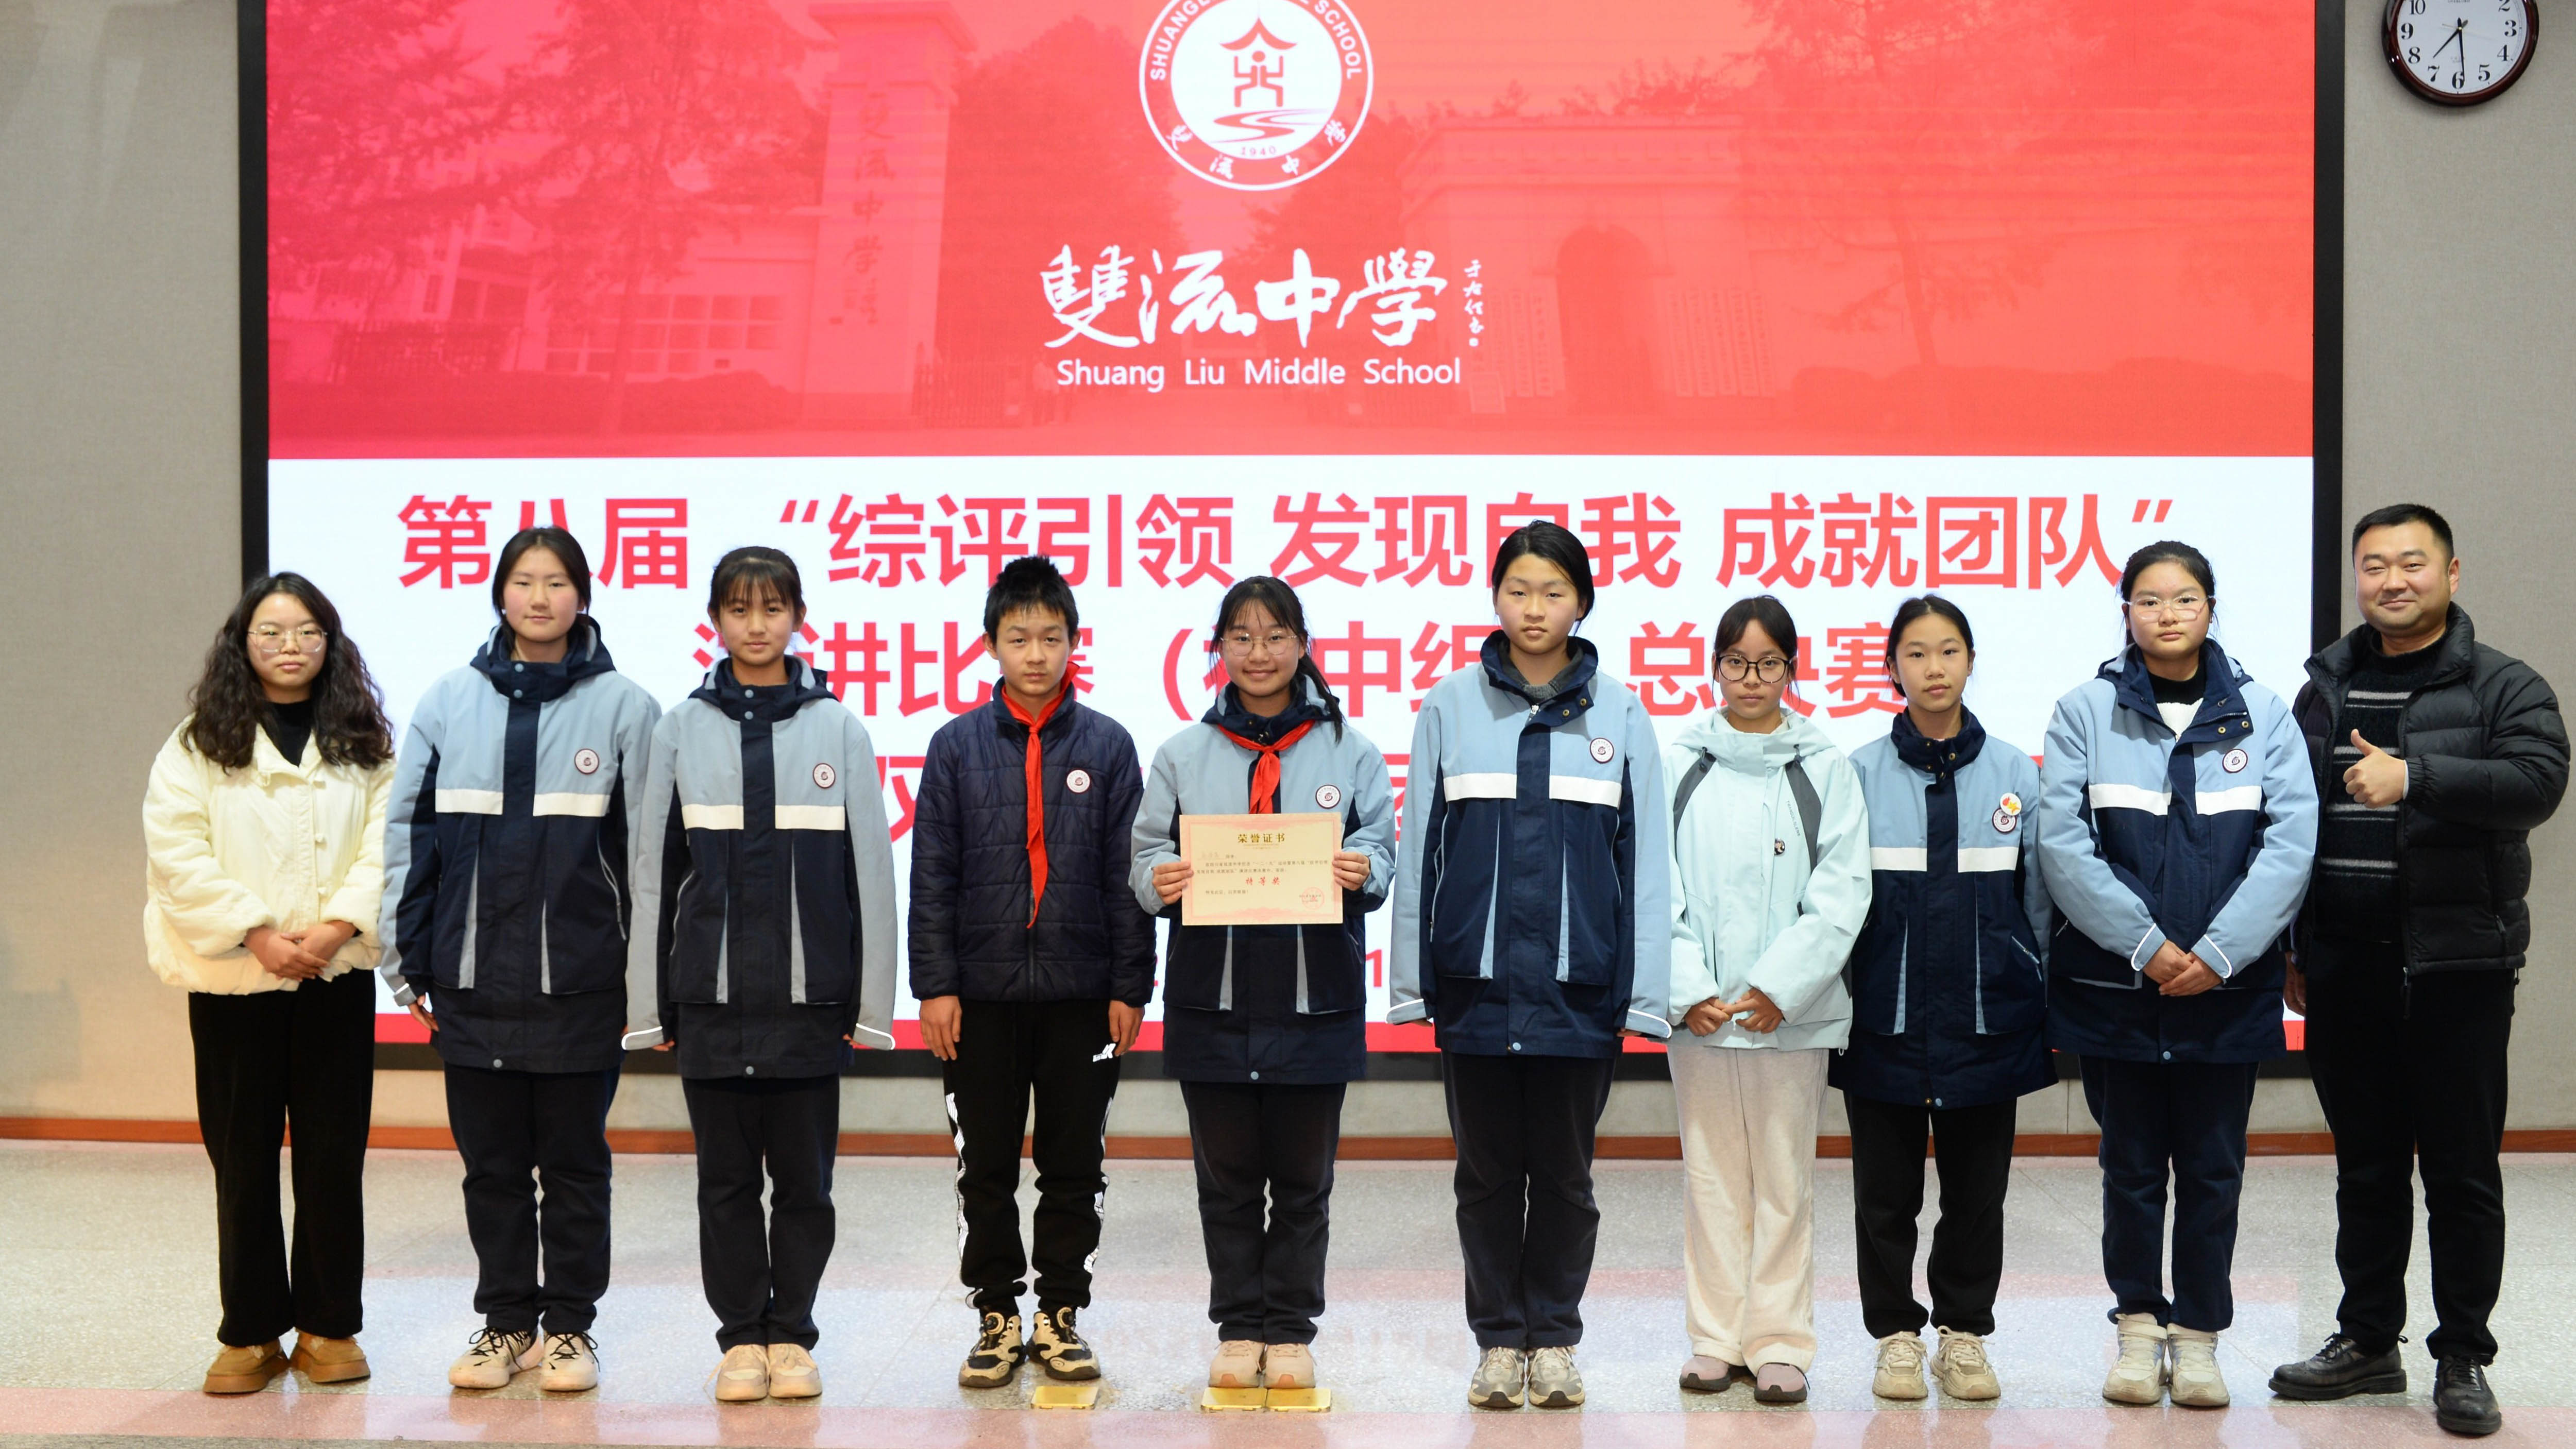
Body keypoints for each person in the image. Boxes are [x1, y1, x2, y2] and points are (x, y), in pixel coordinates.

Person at [2269, 503, 2566, 1439]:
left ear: (2451, 572)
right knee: (2364, 1168)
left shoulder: (2504, 684)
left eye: (2411, 563)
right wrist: (2298, 944)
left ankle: (2464, 1354)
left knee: (2461, 1172)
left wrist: (2415, 777)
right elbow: (2295, 823)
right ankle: (2368, 1339)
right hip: (2343, 964)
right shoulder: (2325, 686)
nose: (2392, 580)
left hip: (2457, 968)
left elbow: (2538, 782)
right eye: (2374, 565)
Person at [1389, 521, 1672, 1411]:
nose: (1535, 608)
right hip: (1475, 990)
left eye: (1553, 592)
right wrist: (1413, 984)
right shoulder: (1448, 706)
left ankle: (1552, 1339)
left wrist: (1644, 996)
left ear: (1582, 602)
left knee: (1565, 1179)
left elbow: (1647, 868)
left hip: (1577, 993)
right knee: (1483, 1178)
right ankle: (1496, 1343)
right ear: (1496, 599)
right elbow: (1421, 848)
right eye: (1518, 591)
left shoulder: (1623, 714)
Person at [379, 527, 660, 1393]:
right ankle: (506, 1323)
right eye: (525, 581)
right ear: (500, 594)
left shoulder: (627, 708)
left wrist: (647, 980)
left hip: (582, 984)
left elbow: (652, 859)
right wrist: (405, 959)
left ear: (584, 595)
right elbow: (409, 840)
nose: (540, 598)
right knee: (492, 1170)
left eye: (558, 582)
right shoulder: (447, 701)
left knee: (575, 1167)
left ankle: (569, 1328)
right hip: (471, 982)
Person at [2037, 540, 2317, 1410]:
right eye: (2150, 600)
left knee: (2211, 1171)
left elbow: (2290, 843)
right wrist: (2145, 946)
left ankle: (2197, 1339)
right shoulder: (2085, 711)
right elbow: (2063, 844)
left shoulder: (2263, 715)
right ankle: (2136, 1326)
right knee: (2128, 1170)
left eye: (2185, 598)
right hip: (2117, 992)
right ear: (2125, 611)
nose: (2167, 614)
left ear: (2210, 608)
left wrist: (2220, 952)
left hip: (2226, 994)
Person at [621, 547, 897, 1403]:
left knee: (806, 1188)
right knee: (726, 1185)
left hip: (810, 1006)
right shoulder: (680, 727)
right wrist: (648, 1006)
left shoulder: (839, 727)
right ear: (715, 620)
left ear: (798, 618)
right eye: (739, 609)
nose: (756, 625)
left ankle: (794, 1336)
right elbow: (651, 872)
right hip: (710, 1004)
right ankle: (742, 1337)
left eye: (772, 608)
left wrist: (872, 1007)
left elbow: (871, 876)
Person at [1132, 577, 1396, 1396]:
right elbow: (1144, 856)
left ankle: (1289, 1331)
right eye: (1241, 637)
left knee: (1305, 1184)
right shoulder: (1183, 754)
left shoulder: (1350, 750)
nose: (1259, 653)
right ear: (1219, 649)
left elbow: (1382, 850)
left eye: (1275, 636)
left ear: (1302, 645)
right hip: (1212, 1000)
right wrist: (1159, 878)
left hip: (1315, 1001)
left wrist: (1363, 868)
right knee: (1227, 1183)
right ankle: (1239, 1326)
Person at [142, 573, 394, 1394]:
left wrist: (334, 928)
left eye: (308, 632)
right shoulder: (196, 744)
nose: (291, 647)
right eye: (272, 632)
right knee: (242, 1161)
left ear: (331, 643)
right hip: (233, 980)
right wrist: (255, 932)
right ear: (242, 643)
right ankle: (250, 1334)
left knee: (332, 1160)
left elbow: (388, 845)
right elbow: (176, 852)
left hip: (332, 975)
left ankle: (328, 1327)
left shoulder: (365, 741)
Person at [909, 555, 1155, 1389]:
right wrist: (935, 986)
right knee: (983, 1166)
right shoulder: (955, 748)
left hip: (1083, 997)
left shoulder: (1109, 747)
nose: (1037, 654)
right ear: (992, 645)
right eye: (1019, 638)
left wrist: (1130, 986)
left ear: (1074, 642)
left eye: (1052, 637)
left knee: (1073, 1164)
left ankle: (1059, 1315)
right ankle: (995, 1315)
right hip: (977, 998)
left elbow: (1128, 879)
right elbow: (933, 877)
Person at [1835, 595, 2052, 1403]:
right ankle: (1895, 1335)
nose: (1935, 667)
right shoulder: (1856, 773)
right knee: (1884, 1197)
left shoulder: (2015, 773)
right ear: (1893, 666)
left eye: (1950, 650)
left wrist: (2033, 984)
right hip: (1882, 1020)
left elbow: (2039, 900)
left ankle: (1964, 1334)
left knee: (1977, 1196)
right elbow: (1837, 901)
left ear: (1970, 661)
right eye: (1917, 653)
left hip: (1989, 1017)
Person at [1664, 595, 1871, 1407]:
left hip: (1790, 1016)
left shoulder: (1824, 766)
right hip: (1703, 1017)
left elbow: (1843, 890)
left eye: (1769, 663)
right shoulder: (1680, 763)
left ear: (1792, 669)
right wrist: (1690, 989)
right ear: (1714, 666)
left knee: (1785, 1179)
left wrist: (1781, 989)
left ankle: (1780, 1341)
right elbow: (1654, 887)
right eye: (1736, 662)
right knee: (1711, 1176)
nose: (1751, 678)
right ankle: (1716, 1339)